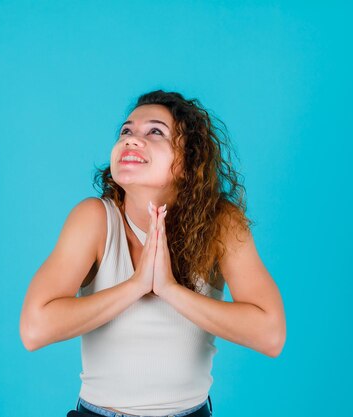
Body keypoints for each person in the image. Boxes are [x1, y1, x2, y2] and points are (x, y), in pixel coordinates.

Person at [19, 90, 286, 417]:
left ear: (187, 161)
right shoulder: (94, 219)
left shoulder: (220, 223)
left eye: (155, 131)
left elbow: (270, 335)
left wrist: (169, 289)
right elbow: (34, 329)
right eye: (126, 131)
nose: (131, 140)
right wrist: (135, 286)